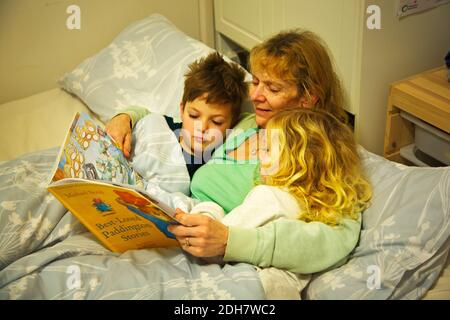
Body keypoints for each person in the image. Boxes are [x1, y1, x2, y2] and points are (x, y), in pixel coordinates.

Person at [106, 29, 364, 275]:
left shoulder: (315, 148)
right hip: (184, 214)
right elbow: (180, 121)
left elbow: (337, 238)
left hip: (207, 243)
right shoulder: (246, 123)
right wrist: (126, 117)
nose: (255, 96)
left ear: (308, 98)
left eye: (273, 89)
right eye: (256, 81)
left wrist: (231, 242)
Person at [187, 108, 372, 298]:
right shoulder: (321, 208)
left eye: (266, 150)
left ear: (296, 161)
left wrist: (205, 212)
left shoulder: (269, 197)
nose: (259, 157)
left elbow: (217, 236)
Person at [107, 52, 248, 195]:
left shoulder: (210, 168)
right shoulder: (163, 126)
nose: (202, 128)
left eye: (216, 122)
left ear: (232, 123)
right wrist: (124, 117)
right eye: (194, 115)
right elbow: (144, 116)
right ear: (182, 109)